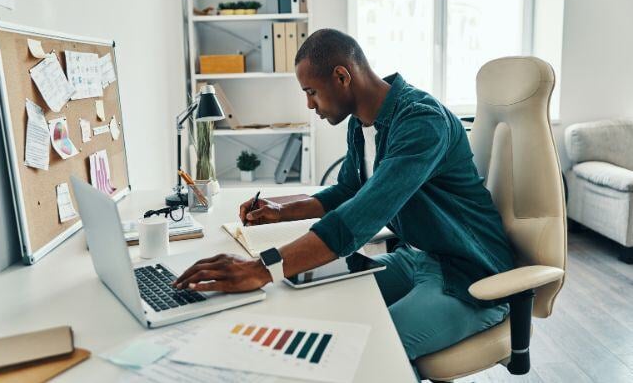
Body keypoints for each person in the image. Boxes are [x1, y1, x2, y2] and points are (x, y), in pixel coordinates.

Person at [172, 29, 513, 368]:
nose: (309, 104)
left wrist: (261, 268)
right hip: (418, 260)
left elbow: (363, 214)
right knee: (321, 307)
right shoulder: (361, 123)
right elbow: (350, 190)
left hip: (471, 274)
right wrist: (283, 211)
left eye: (311, 92)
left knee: (364, 353)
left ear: (341, 76)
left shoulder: (422, 122)